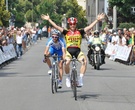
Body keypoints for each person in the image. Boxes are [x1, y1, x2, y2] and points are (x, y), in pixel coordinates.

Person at [41, 13, 105, 87]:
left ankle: (80, 79)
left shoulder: (80, 31)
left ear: (76, 24)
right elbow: (56, 26)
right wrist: (49, 19)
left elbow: (89, 27)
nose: (72, 25)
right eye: (71, 24)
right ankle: (68, 77)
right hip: (69, 51)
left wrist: (97, 20)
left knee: (84, 61)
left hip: (77, 51)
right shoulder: (66, 32)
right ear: (69, 25)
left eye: (74, 24)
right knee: (66, 63)